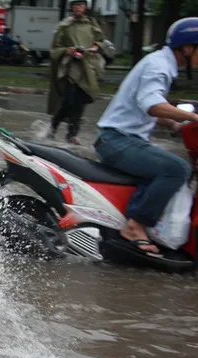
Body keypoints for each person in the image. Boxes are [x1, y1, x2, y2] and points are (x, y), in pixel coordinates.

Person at [95, 17, 198, 256]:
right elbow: (152, 104)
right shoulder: (159, 66)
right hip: (118, 141)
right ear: (188, 47)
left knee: (164, 166)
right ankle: (136, 226)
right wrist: (193, 118)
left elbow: (145, 107)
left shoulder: (161, 63)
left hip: (121, 139)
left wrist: (174, 124)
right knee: (177, 169)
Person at [47, 0, 105, 145]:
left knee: (80, 103)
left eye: (81, 5)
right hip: (70, 67)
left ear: (85, 7)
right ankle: (53, 127)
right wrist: (67, 50)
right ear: (71, 7)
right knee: (68, 101)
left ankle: (72, 135)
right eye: (75, 5)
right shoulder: (64, 26)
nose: (78, 8)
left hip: (87, 68)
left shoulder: (91, 24)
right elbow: (55, 48)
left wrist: (93, 48)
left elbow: (100, 41)